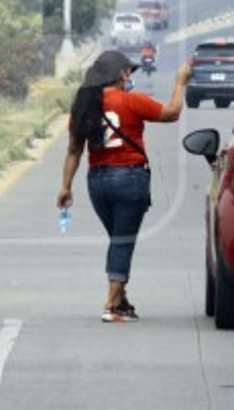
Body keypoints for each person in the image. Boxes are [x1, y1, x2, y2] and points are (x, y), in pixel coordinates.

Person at [56, 50, 191, 323]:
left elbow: (74, 151)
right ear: (120, 75)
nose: (130, 77)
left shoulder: (84, 107)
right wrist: (180, 82)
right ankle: (111, 305)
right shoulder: (131, 101)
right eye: (128, 72)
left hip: (97, 182)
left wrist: (65, 186)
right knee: (122, 241)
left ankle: (121, 299)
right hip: (130, 180)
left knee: (119, 240)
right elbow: (172, 113)